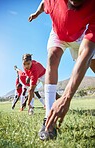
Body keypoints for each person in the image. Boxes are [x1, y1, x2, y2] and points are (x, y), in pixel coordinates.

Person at [28, 0, 95, 140]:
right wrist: (36, 14)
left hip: (80, 37)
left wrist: (66, 97)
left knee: (91, 63)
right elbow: (43, 4)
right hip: (58, 34)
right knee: (52, 56)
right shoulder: (52, 1)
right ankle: (48, 120)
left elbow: (87, 52)